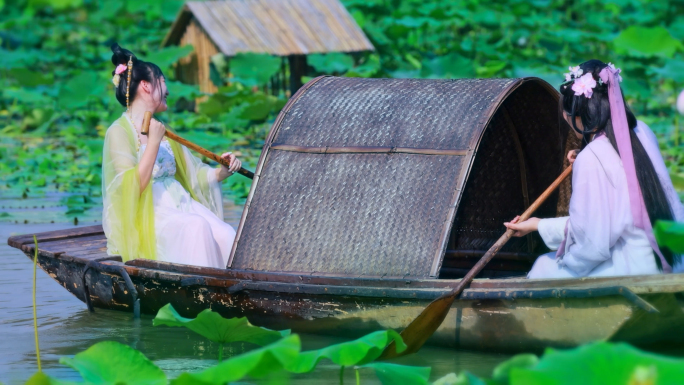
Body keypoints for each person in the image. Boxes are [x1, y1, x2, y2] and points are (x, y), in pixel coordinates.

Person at [505, 59, 684, 279]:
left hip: (636, 269)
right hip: (676, 260)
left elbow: (591, 244)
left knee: (543, 266)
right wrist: (536, 225)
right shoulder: (642, 131)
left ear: (577, 116)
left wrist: (563, 256)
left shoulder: (592, 158)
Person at [102, 43, 242, 268]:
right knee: (196, 227)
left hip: (181, 205)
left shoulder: (161, 128)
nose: (167, 89)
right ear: (146, 86)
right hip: (149, 215)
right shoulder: (118, 132)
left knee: (225, 234)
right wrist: (154, 143)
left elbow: (194, 173)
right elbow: (130, 188)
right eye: (162, 80)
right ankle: (202, 295)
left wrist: (222, 171)